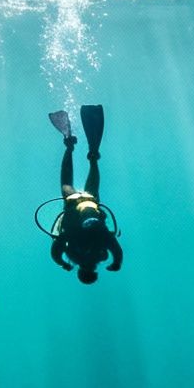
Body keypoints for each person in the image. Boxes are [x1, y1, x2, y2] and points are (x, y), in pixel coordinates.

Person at [47, 104, 123, 283]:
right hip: (74, 204)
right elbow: (56, 249)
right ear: (79, 272)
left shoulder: (99, 254)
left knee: (92, 189)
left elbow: (116, 249)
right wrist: (61, 263)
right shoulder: (75, 254)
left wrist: (117, 263)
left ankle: (93, 156)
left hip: (90, 204)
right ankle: (69, 145)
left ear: (95, 272)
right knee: (67, 184)